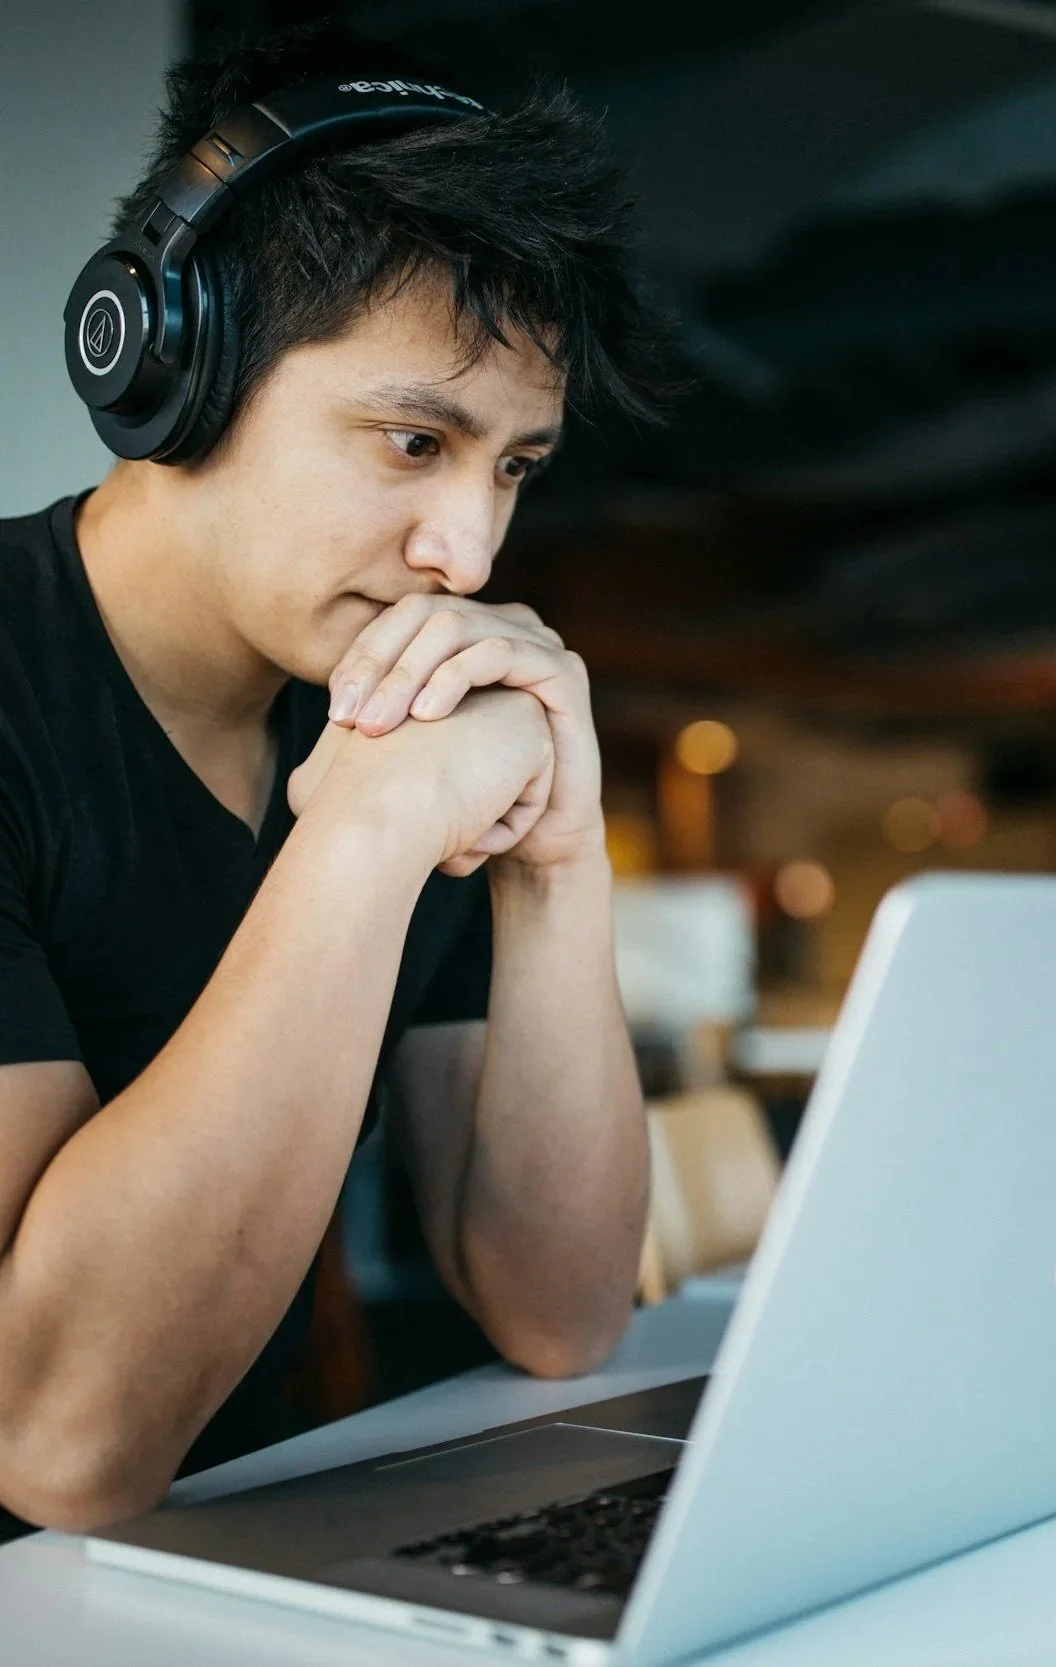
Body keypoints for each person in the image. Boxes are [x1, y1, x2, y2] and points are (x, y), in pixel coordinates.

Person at [0, 22, 670, 1538]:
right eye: (413, 439)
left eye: (512, 465)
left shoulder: (372, 704)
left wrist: (559, 861)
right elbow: (58, 1440)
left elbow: (557, 1310)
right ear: (176, 368)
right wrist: (364, 834)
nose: (471, 554)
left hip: (208, 1577)